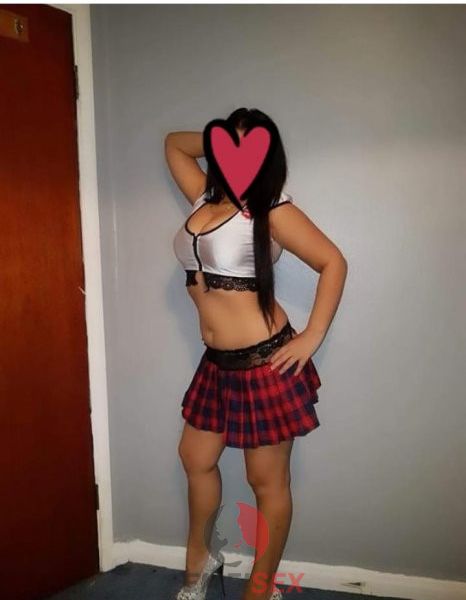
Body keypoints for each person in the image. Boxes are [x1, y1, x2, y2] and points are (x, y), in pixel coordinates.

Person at [164, 108, 348, 600]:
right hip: (216, 364)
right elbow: (173, 144)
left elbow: (332, 261)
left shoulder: (269, 207)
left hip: (266, 361)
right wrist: (221, 138)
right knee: (195, 457)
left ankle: (262, 588)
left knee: (265, 481)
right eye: (231, 143)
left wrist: (313, 334)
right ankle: (201, 561)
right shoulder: (205, 196)